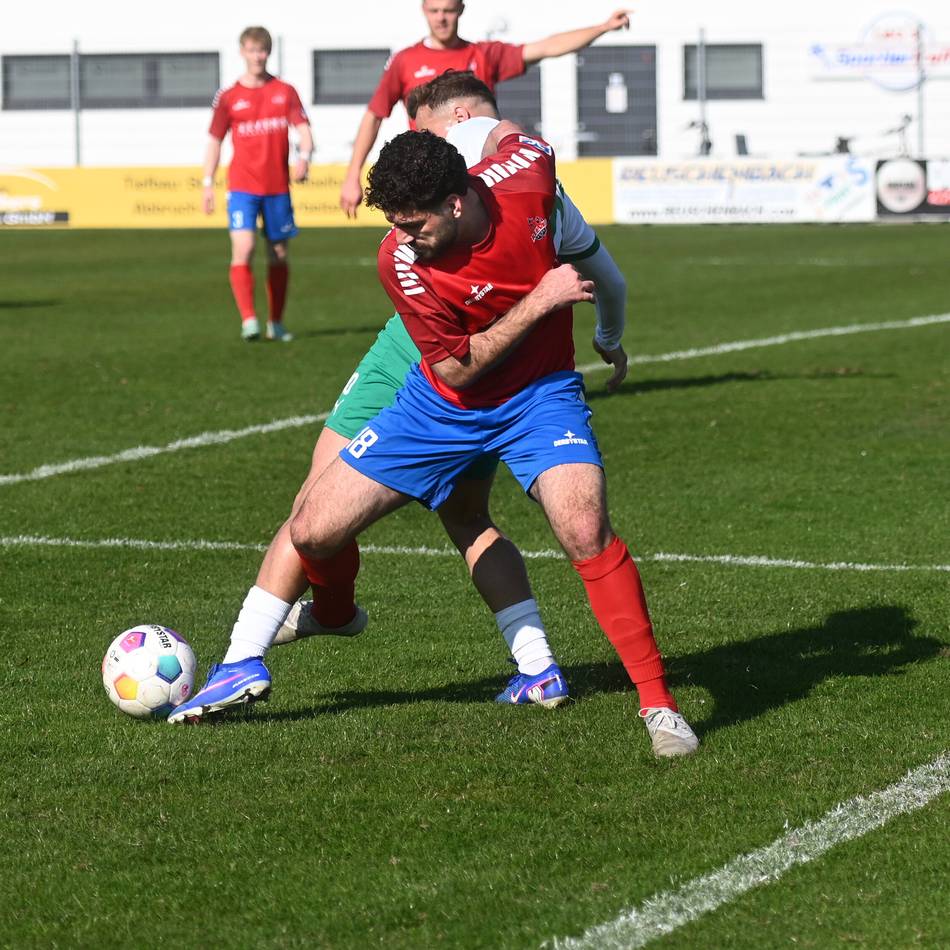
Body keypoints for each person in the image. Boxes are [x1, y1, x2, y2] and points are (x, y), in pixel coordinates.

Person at [175, 125, 699, 757]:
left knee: (583, 525)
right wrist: (540, 301)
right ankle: (305, 630)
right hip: (441, 405)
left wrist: (478, 123)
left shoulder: (529, 173)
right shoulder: (400, 261)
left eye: (414, 224)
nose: (404, 239)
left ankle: (659, 707)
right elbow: (456, 368)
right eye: (394, 223)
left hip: (540, 395)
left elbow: (515, 136)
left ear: (457, 201)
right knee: (312, 529)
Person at [340, 2, 632, 217]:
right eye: (434, 10)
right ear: (424, 10)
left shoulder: (483, 55)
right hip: (426, 176)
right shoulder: (405, 61)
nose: (441, 18)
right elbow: (374, 115)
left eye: (448, 10)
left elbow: (545, 47)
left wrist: (603, 27)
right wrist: (353, 175)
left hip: (479, 176)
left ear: (461, 9)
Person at [203, 26, 314, 342]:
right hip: (242, 187)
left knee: (278, 253)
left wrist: (304, 156)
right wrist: (207, 183)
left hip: (277, 187)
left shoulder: (284, 91)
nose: (257, 56)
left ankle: (275, 322)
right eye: (252, 50)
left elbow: (304, 129)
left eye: (262, 50)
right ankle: (249, 320)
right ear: (242, 52)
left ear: (268, 52)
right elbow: (214, 141)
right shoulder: (229, 98)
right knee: (244, 246)